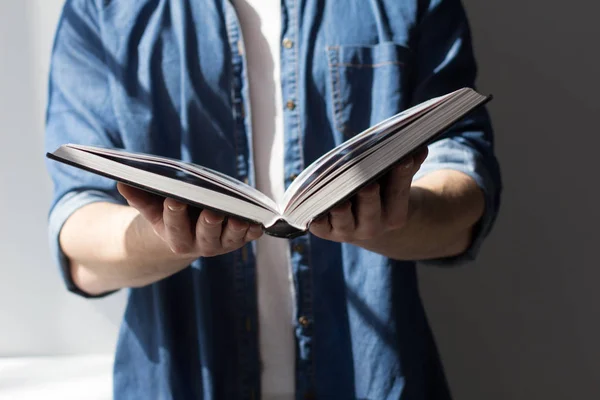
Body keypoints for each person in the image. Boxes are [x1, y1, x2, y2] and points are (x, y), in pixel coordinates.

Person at [45, 0, 501, 398]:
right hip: (179, 383)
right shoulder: (101, 8)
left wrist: (398, 213)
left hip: (373, 379)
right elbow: (80, 242)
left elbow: (463, 192)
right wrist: (164, 234)